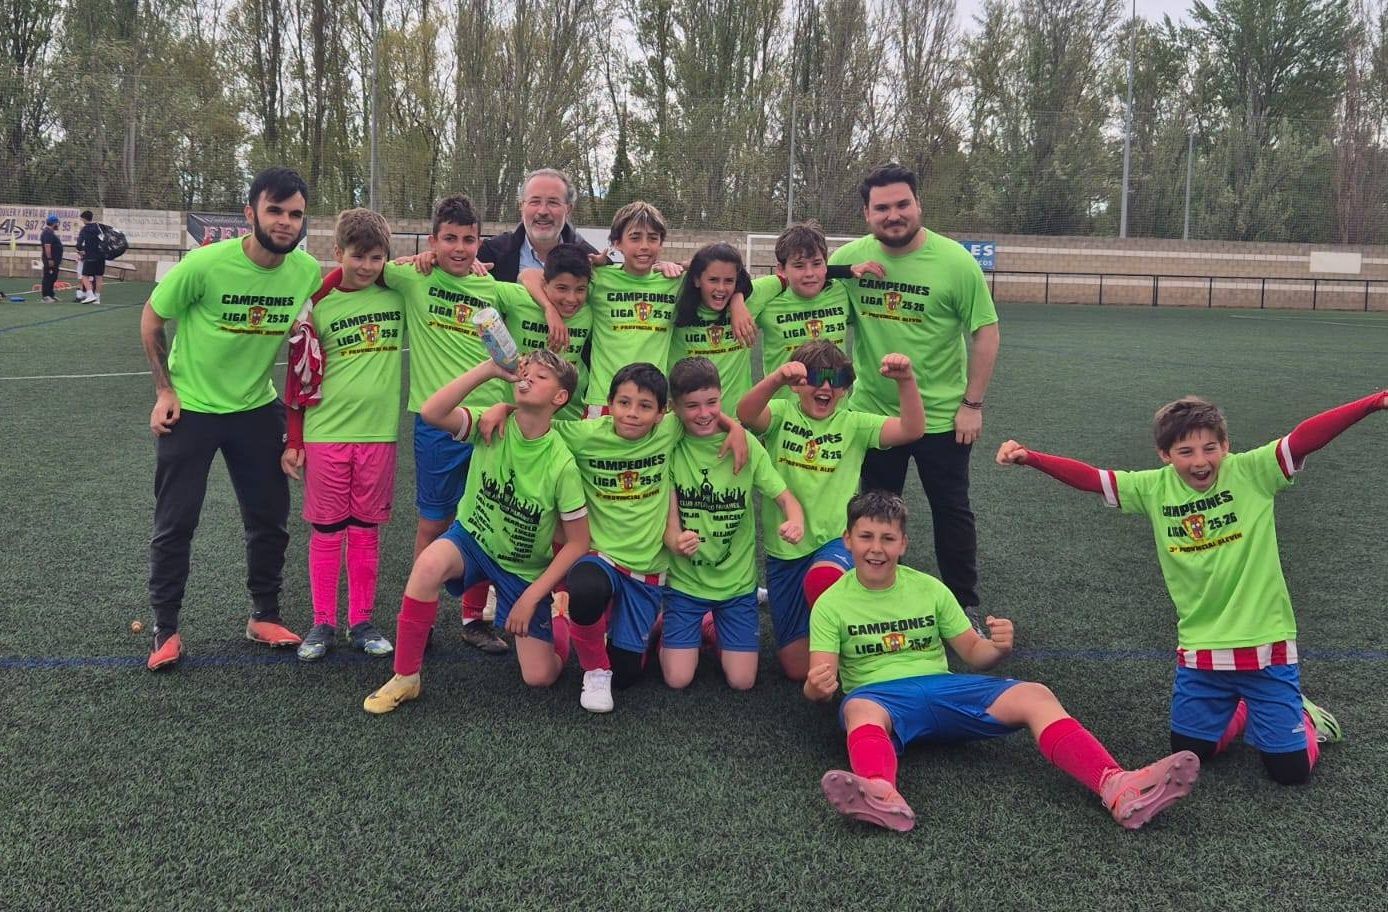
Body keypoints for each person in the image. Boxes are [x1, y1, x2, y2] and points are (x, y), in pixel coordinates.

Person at [996, 391, 1386, 784]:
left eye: (1210, 448)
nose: (1200, 461)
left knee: (1289, 773)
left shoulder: (1253, 472)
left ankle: (1301, 715)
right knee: (1193, 751)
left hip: (1266, 646)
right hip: (1202, 651)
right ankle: (1243, 708)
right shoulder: (1153, 488)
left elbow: (1303, 439)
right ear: (1164, 454)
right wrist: (1032, 458)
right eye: (1185, 451)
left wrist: (1371, 403)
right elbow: (1094, 479)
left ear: (1226, 446)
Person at [805, 491, 1201, 833]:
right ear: (848, 540)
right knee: (857, 707)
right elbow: (819, 681)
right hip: (881, 700)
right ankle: (879, 792)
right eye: (866, 537)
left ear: (904, 543)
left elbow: (974, 655)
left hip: (944, 690)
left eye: (888, 538)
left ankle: (1116, 785)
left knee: (1035, 694)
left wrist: (998, 647)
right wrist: (817, 689)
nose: (877, 548)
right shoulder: (831, 604)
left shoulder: (928, 588)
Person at [480, 363, 747, 712]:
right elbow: (538, 420)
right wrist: (506, 408)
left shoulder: (668, 432)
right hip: (601, 557)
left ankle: (666, 626)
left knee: (628, 676)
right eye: (624, 403)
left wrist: (735, 427)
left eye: (645, 406)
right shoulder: (585, 434)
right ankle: (592, 667)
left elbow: (702, 413)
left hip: (647, 569)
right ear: (609, 403)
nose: (632, 414)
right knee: (586, 586)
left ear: (661, 413)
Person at [364, 194, 566, 655]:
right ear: (432, 240)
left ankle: (474, 620)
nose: (459, 249)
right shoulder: (412, 277)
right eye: (449, 239)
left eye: (469, 240)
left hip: (492, 423)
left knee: (488, 520)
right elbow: (366, 265)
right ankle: (421, 617)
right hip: (439, 423)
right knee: (433, 522)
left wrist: (551, 309)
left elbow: (536, 276)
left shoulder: (493, 288)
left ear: (480, 243)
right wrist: (417, 258)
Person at [140, 167, 323, 671]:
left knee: (269, 520)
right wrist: (164, 390)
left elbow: (360, 275)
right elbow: (153, 318)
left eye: (295, 214)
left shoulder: (304, 271)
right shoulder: (205, 264)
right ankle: (166, 629)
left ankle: (263, 615)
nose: (286, 222)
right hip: (192, 410)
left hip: (255, 409)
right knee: (175, 523)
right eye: (275, 211)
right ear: (251, 214)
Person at [365, 352, 591, 713]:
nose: (527, 378)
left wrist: (532, 597)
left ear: (560, 397)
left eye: (541, 377)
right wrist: (488, 370)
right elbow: (431, 413)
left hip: (522, 568)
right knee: (427, 565)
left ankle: (558, 618)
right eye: (525, 372)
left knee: (540, 678)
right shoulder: (493, 424)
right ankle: (405, 677)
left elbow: (578, 542)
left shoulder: (561, 463)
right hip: (472, 540)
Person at [829, 164, 1000, 622]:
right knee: (875, 512)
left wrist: (972, 404)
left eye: (902, 204)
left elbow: (986, 331)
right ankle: (879, 601)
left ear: (918, 205)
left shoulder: (955, 261)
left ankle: (963, 606)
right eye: (882, 208)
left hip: (944, 416)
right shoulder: (852, 260)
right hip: (876, 414)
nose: (894, 215)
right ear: (866, 213)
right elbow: (803, 282)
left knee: (951, 511)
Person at [736, 340, 924, 681]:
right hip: (785, 552)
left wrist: (906, 381)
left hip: (833, 543)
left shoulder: (854, 424)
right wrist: (776, 379)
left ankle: (866, 647)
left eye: (835, 380)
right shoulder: (780, 414)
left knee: (825, 579)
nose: (825, 387)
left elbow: (912, 429)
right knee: (797, 670)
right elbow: (746, 414)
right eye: (816, 378)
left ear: (844, 389)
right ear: (797, 386)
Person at [280, 209, 403, 661]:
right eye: (358, 256)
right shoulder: (317, 305)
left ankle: (362, 621)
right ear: (338, 254)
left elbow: (424, 275)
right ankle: (322, 622)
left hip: (379, 435)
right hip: (325, 434)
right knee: (329, 530)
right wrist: (294, 440)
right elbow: (298, 379)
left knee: (366, 530)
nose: (367, 266)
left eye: (377, 257)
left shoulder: (396, 297)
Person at [524, 201, 752, 415]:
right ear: (617, 243)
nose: (644, 246)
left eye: (652, 238)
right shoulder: (599, 278)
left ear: (661, 243)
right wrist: (549, 309)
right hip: (604, 400)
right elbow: (530, 275)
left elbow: (726, 275)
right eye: (635, 238)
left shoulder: (674, 281)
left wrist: (737, 302)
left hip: (654, 403)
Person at [662, 357, 804, 690]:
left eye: (712, 403)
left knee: (742, 681)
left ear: (720, 397)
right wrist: (674, 541)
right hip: (686, 584)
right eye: (692, 406)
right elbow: (668, 517)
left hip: (737, 585)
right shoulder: (670, 444)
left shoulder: (746, 445)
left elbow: (785, 497)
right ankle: (670, 622)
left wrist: (795, 520)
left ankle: (712, 624)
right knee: (678, 679)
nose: (704, 413)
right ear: (675, 408)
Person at [746, 221, 882, 395]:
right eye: (799, 266)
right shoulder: (768, 299)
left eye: (817, 264)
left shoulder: (841, 291)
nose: (809, 273)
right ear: (781, 269)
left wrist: (846, 270)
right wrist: (736, 303)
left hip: (835, 413)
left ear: (825, 264)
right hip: (785, 415)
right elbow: (736, 288)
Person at [502, 243, 593, 422]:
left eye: (580, 290)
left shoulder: (591, 309)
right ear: (545, 284)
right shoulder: (517, 299)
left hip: (569, 420)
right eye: (562, 288)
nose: (571, 298)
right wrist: (548, 308)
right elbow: (527, 274)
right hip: (514, 416)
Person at [669, 244, 756, 411]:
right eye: (713, 280)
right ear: (696, 279)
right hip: (685, 422)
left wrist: (737, 300)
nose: (721, 288)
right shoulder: (675, 299)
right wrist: (672, 265)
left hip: (736, 421)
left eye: (729, 281)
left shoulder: (750, 301)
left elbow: (786, 277)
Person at [477, 168, 598, 281]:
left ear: (569, 209)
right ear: (521, 206)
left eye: (553, 202)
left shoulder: (591, 259)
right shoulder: (489, 253)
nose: (543, 211)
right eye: (535, 202)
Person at [75, 210, 105, 304]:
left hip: (90, 256)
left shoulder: (85, 229)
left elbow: (79, 244)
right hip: (101, 256)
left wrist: (81, 251)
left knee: (84, 276)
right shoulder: (98, 227)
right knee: (99, 277)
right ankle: (97, 298)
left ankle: (90, 294)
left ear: (84, 218)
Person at [39, 214, 62, 303]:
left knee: (53, 277)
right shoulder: (47, 232)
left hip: (55, 259)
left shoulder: (51, 232)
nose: (58, 225)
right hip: (50, 260)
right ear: (54, 223)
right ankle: (45, 296)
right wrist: (49, 259)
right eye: (57, 223)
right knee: (48, 277)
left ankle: (51, 294)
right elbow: (47, 246)